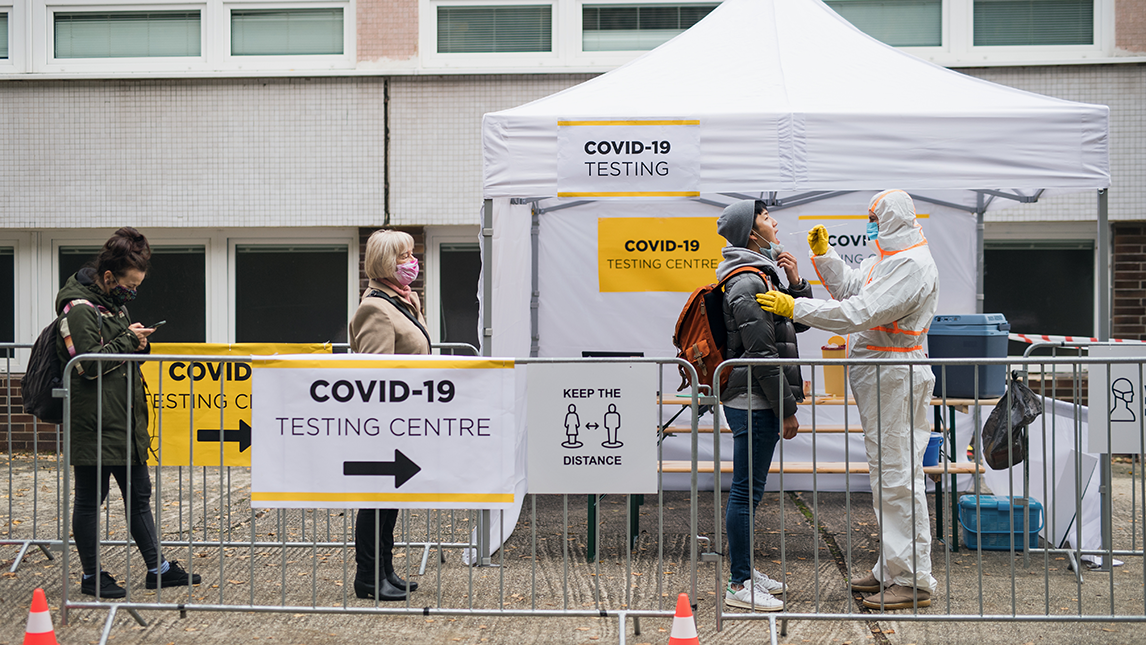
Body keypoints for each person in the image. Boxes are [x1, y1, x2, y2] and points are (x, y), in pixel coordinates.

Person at [756, 189, 940, 609]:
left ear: (892, 218)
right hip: (881, 377)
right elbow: (853, 288)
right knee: (887, 477)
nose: (870, 223)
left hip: (896, 375)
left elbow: (859, 312)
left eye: (874, 216)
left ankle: (912, 579)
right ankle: (891, 568)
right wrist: (826, 257)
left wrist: (795, 306)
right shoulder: (888, 258)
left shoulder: (912, 264)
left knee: (898, 478)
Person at [57, 227, 201, 598]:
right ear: (108, 277)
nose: (132, 292)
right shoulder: (78, 308)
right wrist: (127, 339)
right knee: (90, 499)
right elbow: (87, 363)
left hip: (124, 420)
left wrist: (139, 342)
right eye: (129, 284)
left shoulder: (113, 304)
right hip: (95, 423)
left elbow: (120, 356)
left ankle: (158, 569)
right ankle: (92, 577)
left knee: (139, 494)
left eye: (136, 285)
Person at [715, 199, 811, 612]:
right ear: (752, 235)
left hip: (758, 398)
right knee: (744, 492)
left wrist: (795, 282)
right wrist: (786, 408)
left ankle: (746, 570)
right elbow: (762, 355)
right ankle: (738, 584)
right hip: (754, 400)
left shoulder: (764, 276)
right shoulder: (746, 282)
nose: (774, 222)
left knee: (749, 493)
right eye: (766, 218)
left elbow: (799, 322)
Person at [347, 229, 427, 601]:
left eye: (412, 253)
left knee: (390, 498)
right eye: (404, 256)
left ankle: (386, 570)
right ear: (384, 263)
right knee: (375, 498)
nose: (413, 262)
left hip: (405, 418)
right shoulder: (375, 308)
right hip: (384, 421)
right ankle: (368, 576)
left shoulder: (404, 300)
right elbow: (375, 374)